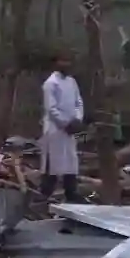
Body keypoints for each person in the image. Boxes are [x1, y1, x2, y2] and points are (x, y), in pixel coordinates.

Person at [40, 52, 84, 203]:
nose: (66, 64)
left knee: (71, 162)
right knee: (53, 164)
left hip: (70, 130)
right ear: (55, 63)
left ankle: (71, 193)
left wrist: (77, 119)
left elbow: (78, 102)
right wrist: (65, 123)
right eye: (62, 61)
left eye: (68, 61)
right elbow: (51, 109)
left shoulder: (72, 82)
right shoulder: (51, 83)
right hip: (55, 130)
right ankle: (44, 195)